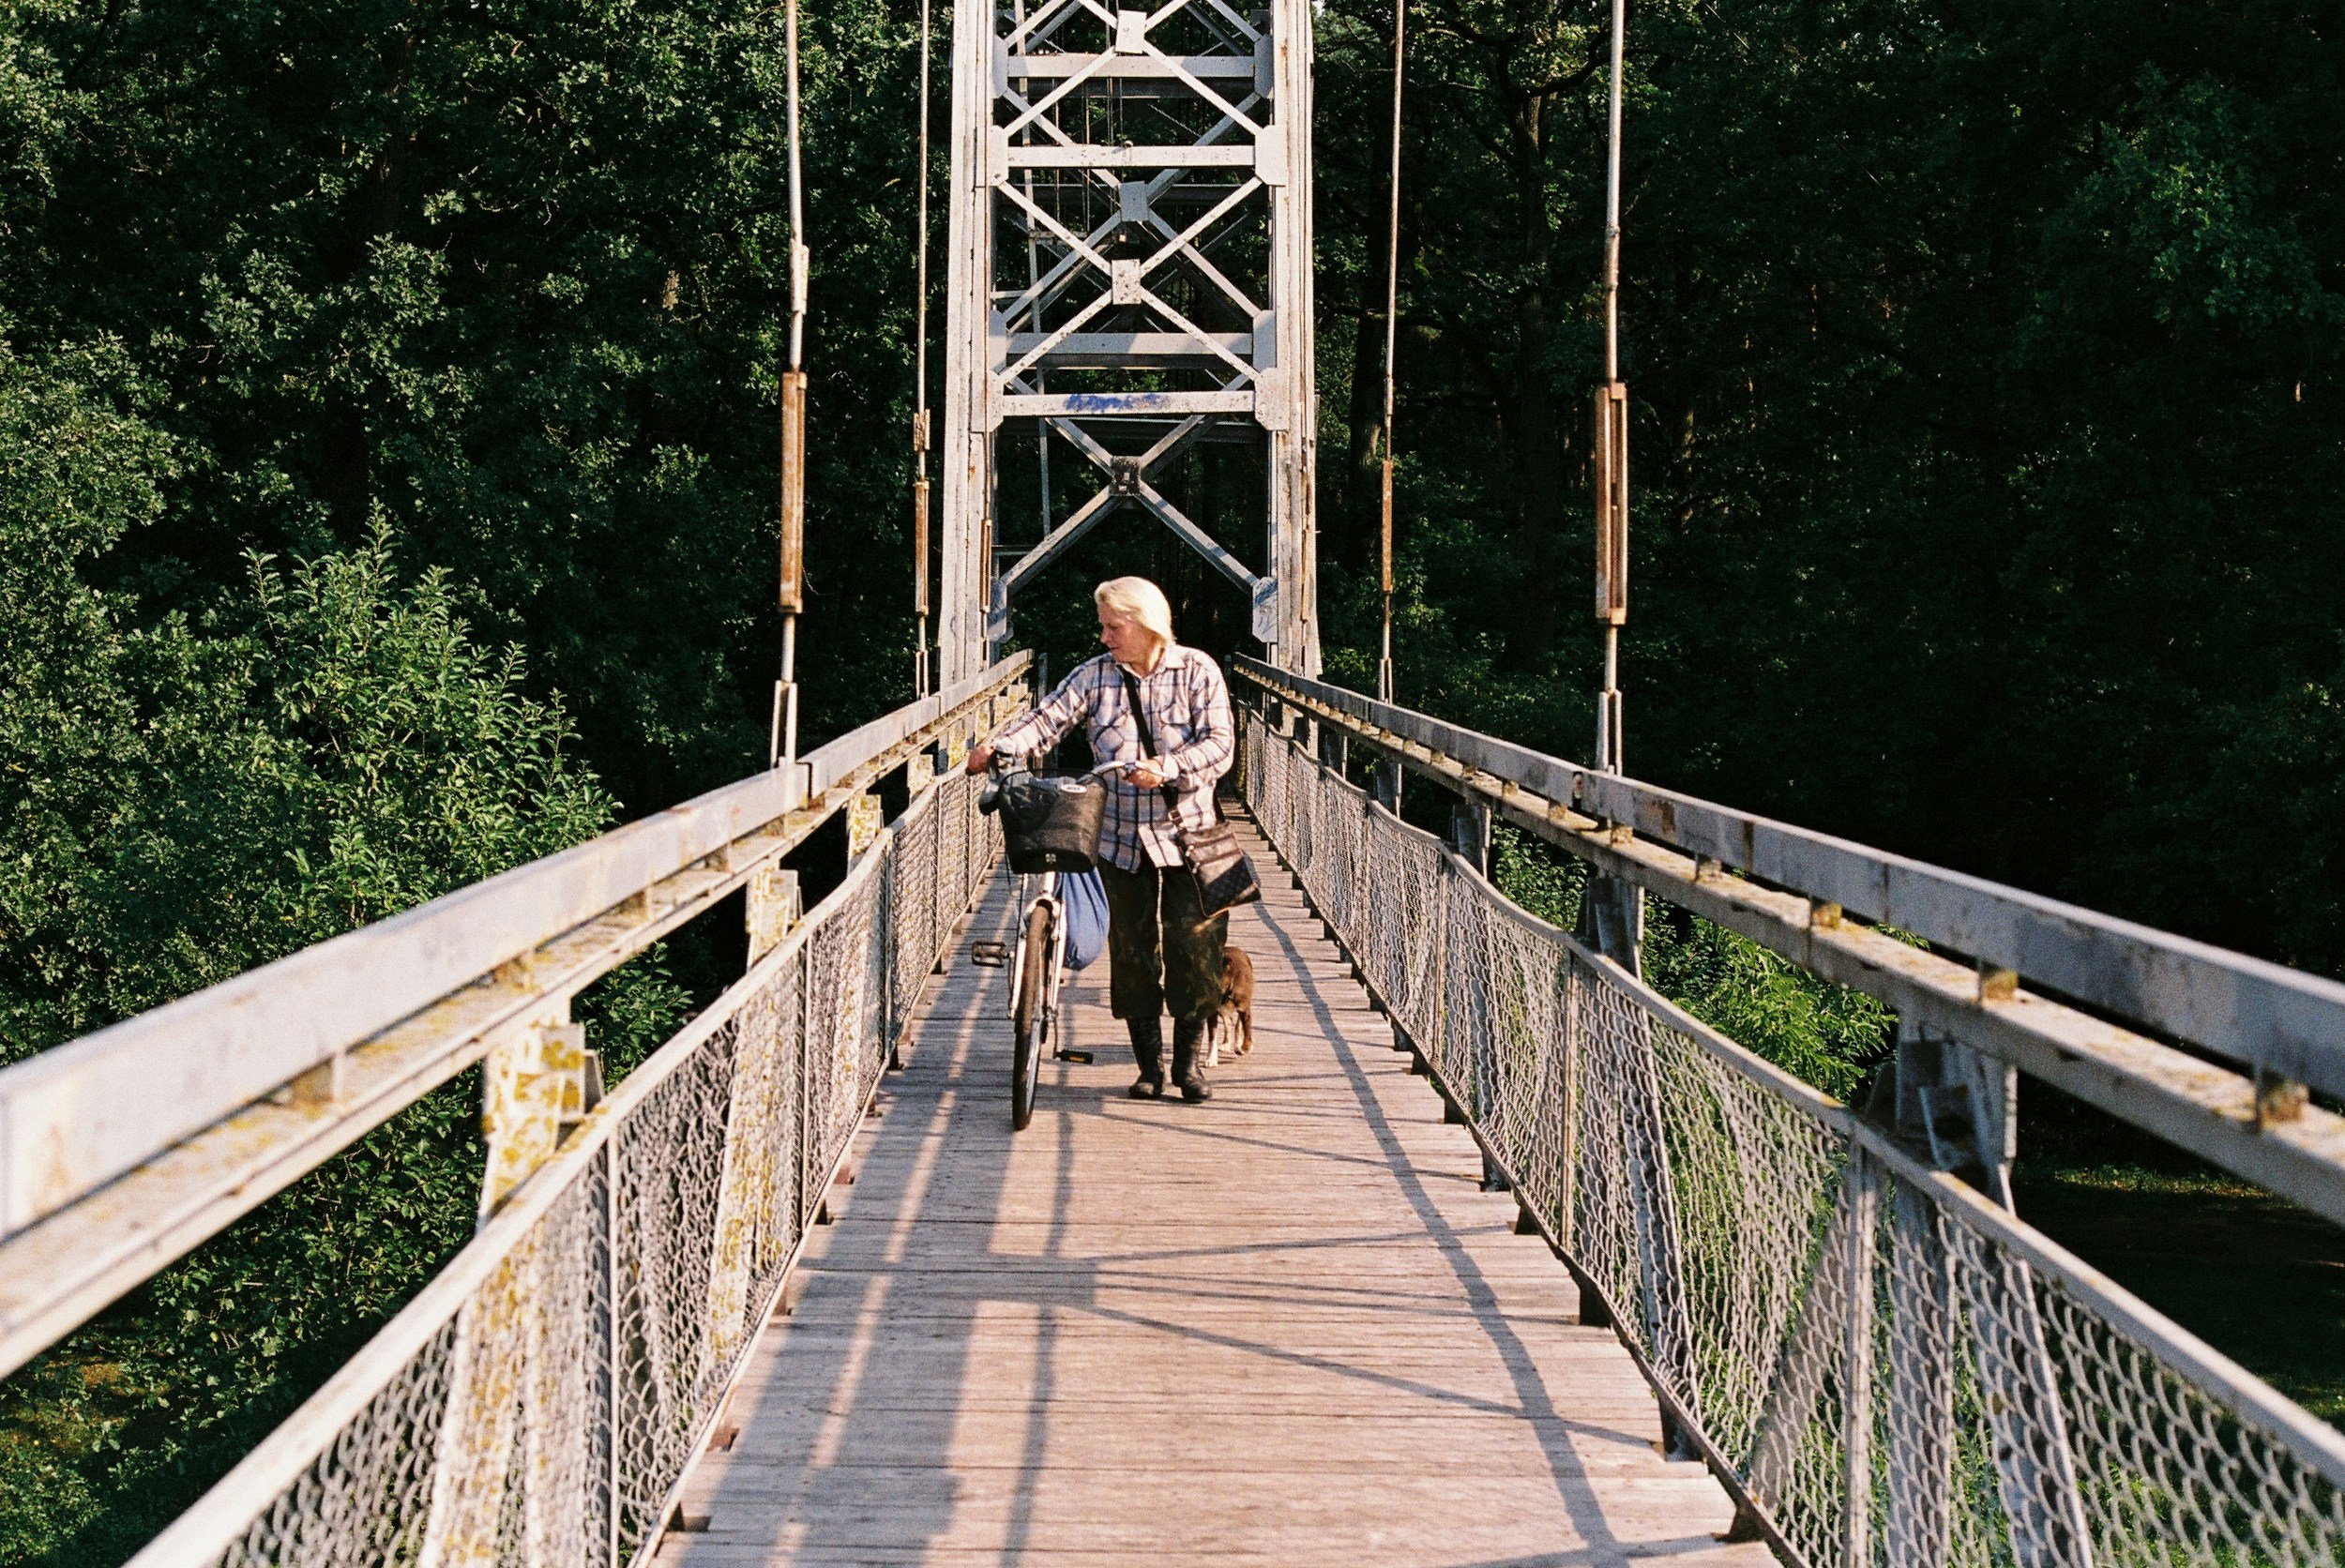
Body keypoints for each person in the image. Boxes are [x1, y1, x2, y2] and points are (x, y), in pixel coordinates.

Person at [967, 577, 1235, 1103]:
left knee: (1195, 948)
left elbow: (1221, 746)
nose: (1105, 636)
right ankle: (1149, 1068)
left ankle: (1187, 1066)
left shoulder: (1197, 671)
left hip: (1191, 832)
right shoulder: (1094, 676)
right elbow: (1046, 720)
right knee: (1132, 953)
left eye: (1114, 627)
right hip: (1119, 837)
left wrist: (1167, 767)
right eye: (1104, 627)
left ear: (1146, 624)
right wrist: (999, 746)